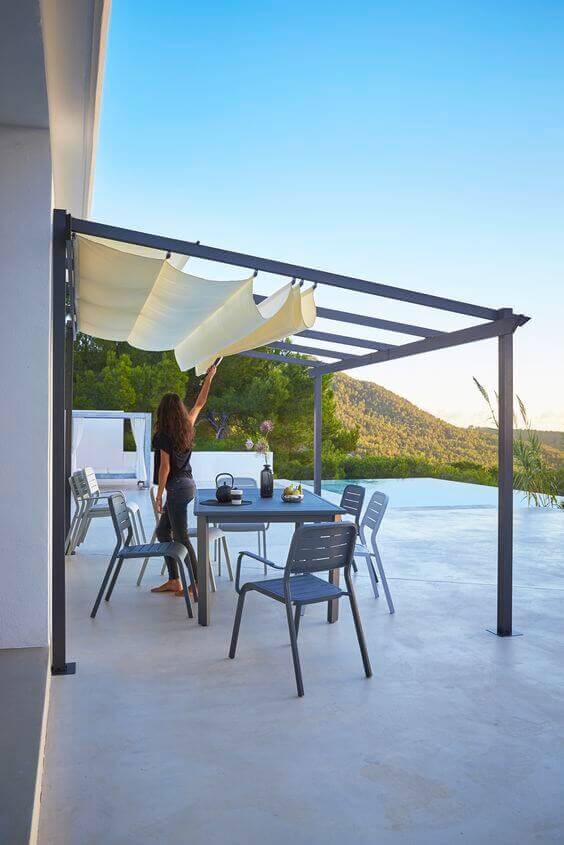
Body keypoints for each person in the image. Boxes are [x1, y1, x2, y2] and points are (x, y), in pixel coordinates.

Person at [150, 364, 218, 596]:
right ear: (178, 410)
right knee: (162, 531)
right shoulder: (186, 426)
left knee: (181, 537)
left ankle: (197, 583)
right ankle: (174, 580)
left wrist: (159, 494)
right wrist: (209, 377)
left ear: (162, 412)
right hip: (188, 485)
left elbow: (165, 467)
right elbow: (200, 403)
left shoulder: (162, 436)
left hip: (177, 487)